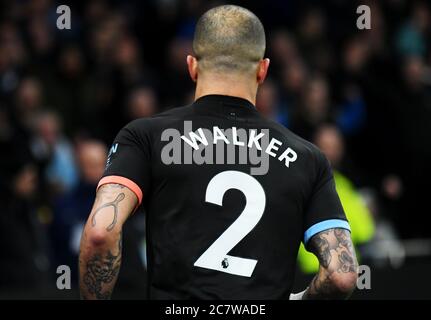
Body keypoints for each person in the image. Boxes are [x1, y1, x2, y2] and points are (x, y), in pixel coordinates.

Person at [79, 5, 358, 300]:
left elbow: (101, 233)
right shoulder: (307, 157)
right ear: (263, 70)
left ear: (192, 66)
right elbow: (342, 275)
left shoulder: (145, 136)